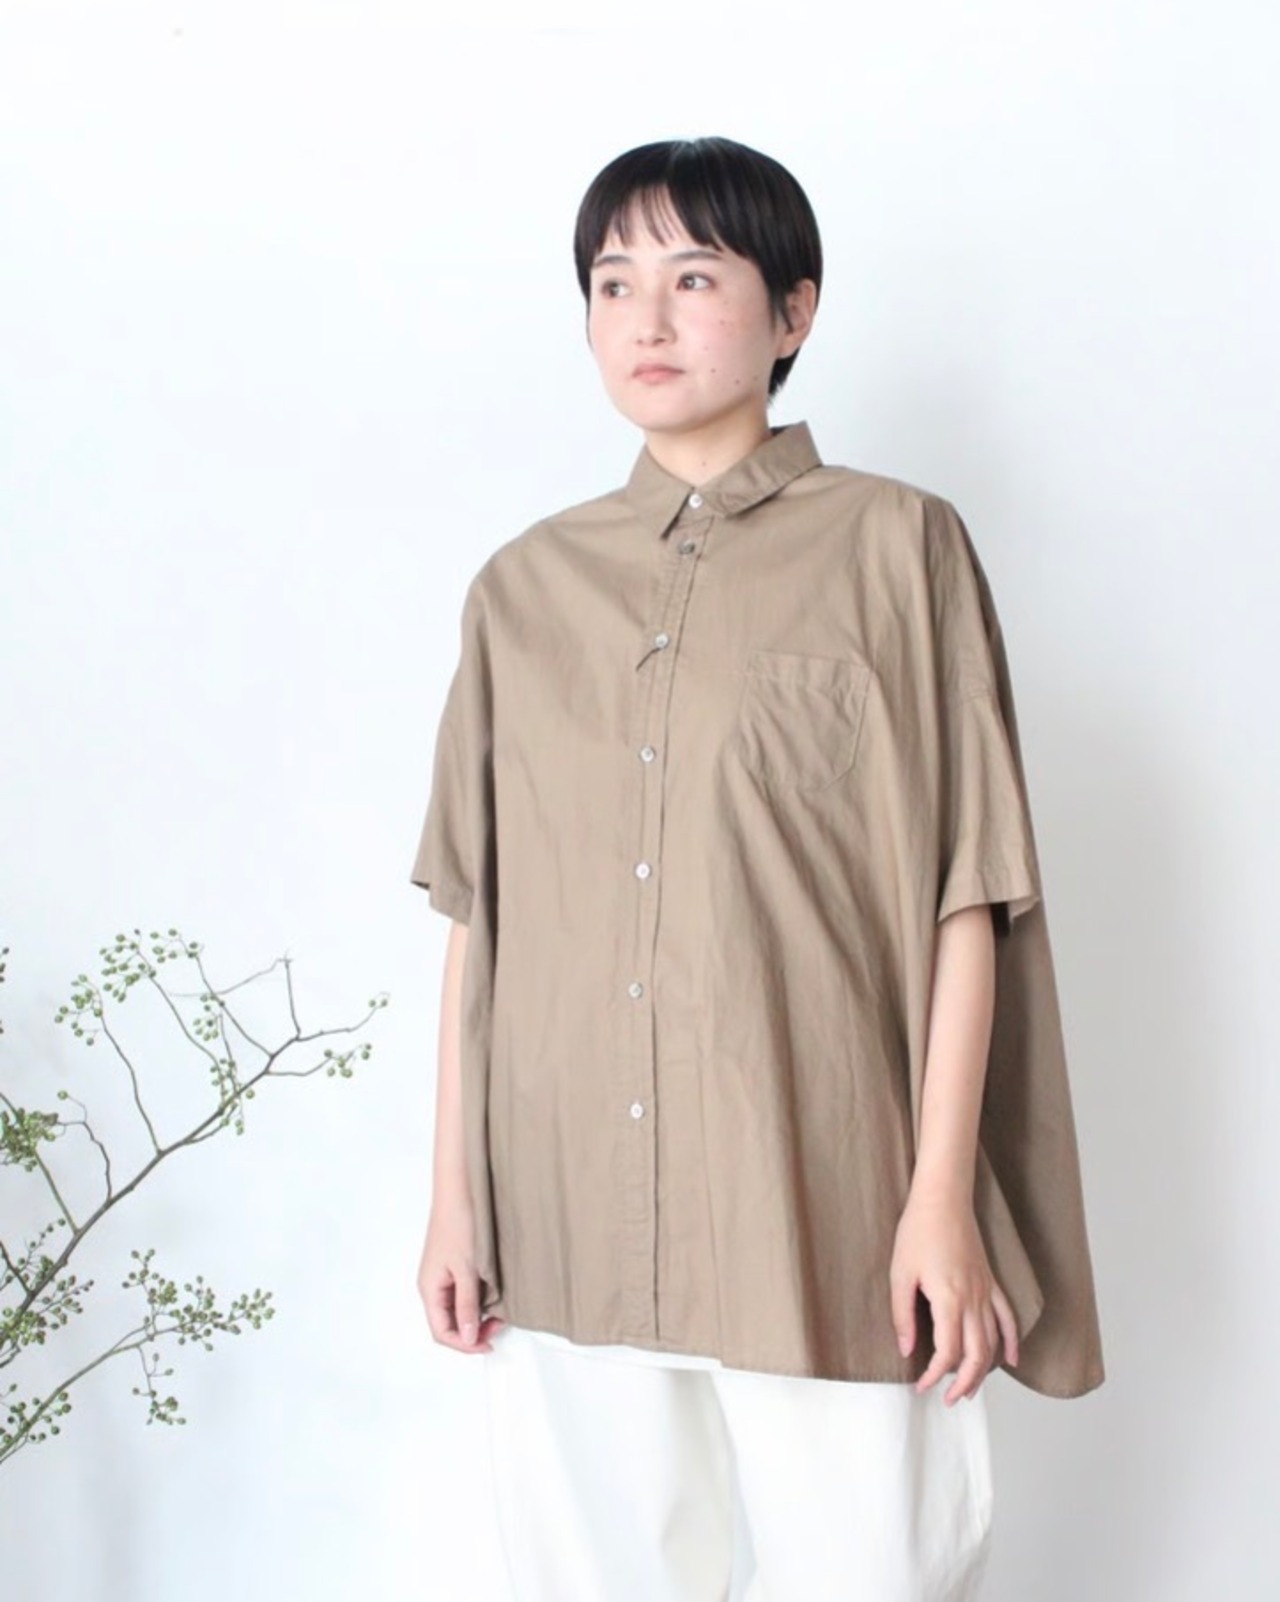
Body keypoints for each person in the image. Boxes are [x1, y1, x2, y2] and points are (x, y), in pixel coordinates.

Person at [411, 135, 1104, 1602]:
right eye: (613, 284)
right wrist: (455, 1200)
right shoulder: (521, 590)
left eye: (693, 278)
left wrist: (939, 1196)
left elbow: (963, 891)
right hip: (566, 1199)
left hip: (821, 1186)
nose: (646, 320)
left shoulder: (897, 548)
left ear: (793, 311)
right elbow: (482, 917)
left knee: (873, 1570)